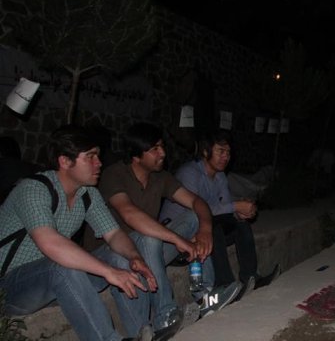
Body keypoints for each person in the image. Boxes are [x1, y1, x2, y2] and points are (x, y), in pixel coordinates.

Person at [84, 122, 241, 340]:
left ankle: (204, 296)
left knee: (193, 217)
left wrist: (205, 230)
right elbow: (129, 213)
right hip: (115, 252)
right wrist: (177, 239)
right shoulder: (114, 174)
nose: (163, 153)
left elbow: (197, 202)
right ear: (137, 155)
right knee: (150, 237)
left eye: (162, 147)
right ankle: (165, 315)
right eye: (155, 149)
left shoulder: (161, 177)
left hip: (149, 252)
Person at [0, 126, 156, 341]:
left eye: (98, 156)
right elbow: (51, 244)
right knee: (62, 267)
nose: (99, 163)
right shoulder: (34, 189)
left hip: (56, 282)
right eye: (90, 157)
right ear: (65, 161)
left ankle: (141, 333)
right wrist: (108, 271)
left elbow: (114, 235)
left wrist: (135, 257)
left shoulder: (87, 194)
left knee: (120, 257)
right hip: (10, 286)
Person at [159, 129, 279, 299]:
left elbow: (224, 209)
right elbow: (196, 211)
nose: (226, 157)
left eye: (228, 152)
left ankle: (251, 277)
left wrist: (240, 213)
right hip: (178, 238)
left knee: (240, 225)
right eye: (220, 151)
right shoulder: (189, 173)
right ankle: (225, 285)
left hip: (201, 231)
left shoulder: (220, 176)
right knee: (212, 228)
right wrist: (235, 206)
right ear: (205, 151)